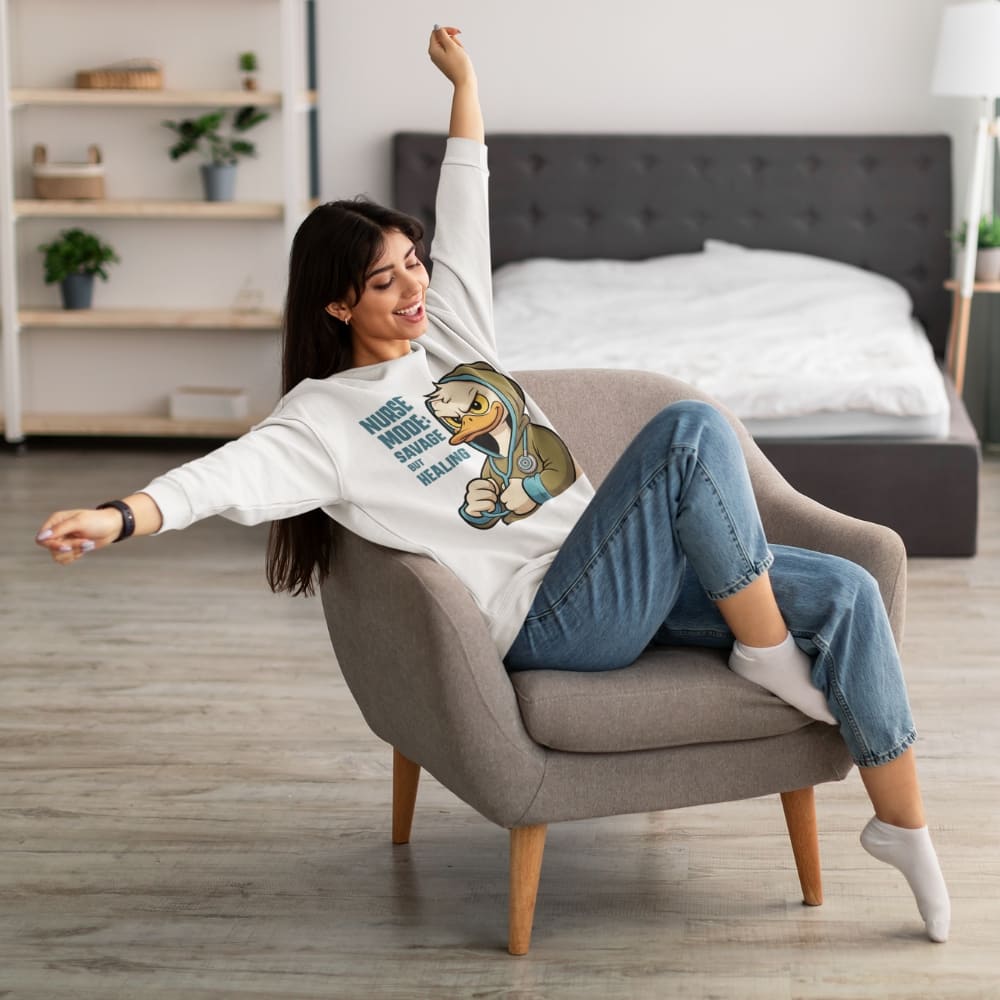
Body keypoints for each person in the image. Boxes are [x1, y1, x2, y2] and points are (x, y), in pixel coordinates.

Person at [35, 26, 950, 944]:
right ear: (337, 304)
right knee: (688, 430)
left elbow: (463, 192)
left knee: (849, 588)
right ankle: (765, 655)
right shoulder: (324, 418)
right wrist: (119, 517)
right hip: (554, 618)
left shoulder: (456, 335)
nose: (411, 289)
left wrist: (466, 84)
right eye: (381, 281)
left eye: (412, 265)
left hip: (621, 575)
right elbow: (224, 476)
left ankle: (902, 828)